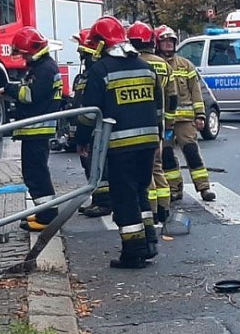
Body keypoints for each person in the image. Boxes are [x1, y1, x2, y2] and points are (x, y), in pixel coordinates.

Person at [77, 16, 162, 269]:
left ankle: (133, 252)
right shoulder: (146, 67)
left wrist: (82, 139)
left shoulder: (100, 71)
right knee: (140, 192)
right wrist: (158, 138)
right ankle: (149, 242)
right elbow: (158, 108)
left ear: (103, 43)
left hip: (119, 146)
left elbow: (90, 112)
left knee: (124, 198)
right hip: (148, 143)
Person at [0, 27, 63, 231]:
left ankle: (47, 216)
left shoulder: (44, 69)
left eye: (24, 52)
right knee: (34, 172)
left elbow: (30, 96)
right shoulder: (42, 67)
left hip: (37, 129)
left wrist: (9, 89)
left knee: (36, 174)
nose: (23, 56)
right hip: (34, 130)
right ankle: (44, 211)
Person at [156, 26, 216, 202]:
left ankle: (204, 187)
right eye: (164, 42)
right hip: (163, 121)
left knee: (191, 151)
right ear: (158, 44)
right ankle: (175, 189)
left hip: (184, 120)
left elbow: (196, 92)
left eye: (171, 42)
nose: (168, 45)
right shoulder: (155, 65)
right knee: (166, 155)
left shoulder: (185, 65)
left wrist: (200, 115)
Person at [127, 22, 172, 223]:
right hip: (159, 124)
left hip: (140, 123)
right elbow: (172, 97)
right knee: (158, 167)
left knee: (144, 171)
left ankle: (151, 211)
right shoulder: (164, 64)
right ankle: (165, 208)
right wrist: (168, 122)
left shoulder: (133, 63)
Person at [71, 35, 113, 217]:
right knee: (89, 166)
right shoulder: (86, 75)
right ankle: (97, 199)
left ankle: (104, 202)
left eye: (83, 53)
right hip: (86, 128)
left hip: (96, 129)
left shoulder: (96, 73)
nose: (81, 58)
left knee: (98, 167)